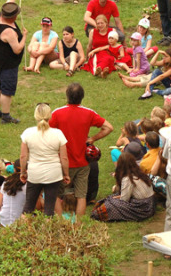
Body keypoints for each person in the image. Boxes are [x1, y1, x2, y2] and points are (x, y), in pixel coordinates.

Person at [49, 83, 113, 217]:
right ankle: (78, 226)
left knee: (56, 194)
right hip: (83, 163)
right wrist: (93, 139)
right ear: (82, 97)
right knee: (81, 196)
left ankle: (60, 222)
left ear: (67, 95)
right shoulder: (88, 113)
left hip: (62, 162)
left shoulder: (57, 113)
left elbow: (46, 132)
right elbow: (109, 127)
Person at [20, 103, 69, 217]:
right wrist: (66, 174)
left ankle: (21, 233)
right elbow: (64, 157)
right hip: (54, 174)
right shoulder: (58, 133)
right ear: (50, 116)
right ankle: (48, 234)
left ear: (35, 116)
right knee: (49, 209)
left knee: (28, 208)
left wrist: (23, 172)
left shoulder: (28, 133)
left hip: (34, 173)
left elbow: (23, 156)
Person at [91, 152, 156, 222]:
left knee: (111, 201)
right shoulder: (139, 173)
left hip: (142, 207)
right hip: (151, 204)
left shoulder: (128, 178)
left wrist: (116, 197)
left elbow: (124, 199)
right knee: (113, 197)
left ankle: (98, 213)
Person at [0, 162, 26, 227]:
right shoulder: (28, 186)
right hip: (21, 224)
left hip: (4, 222)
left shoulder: (5, 183)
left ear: (14, 170)